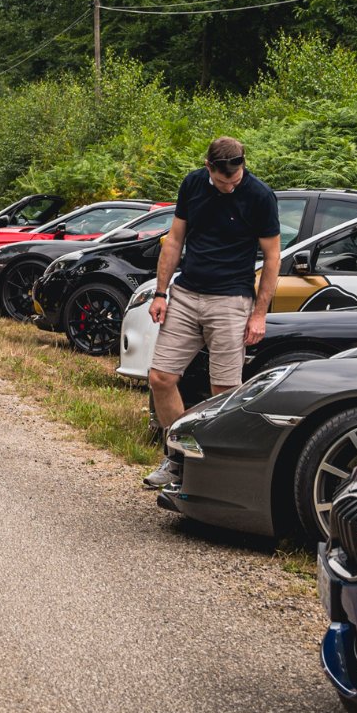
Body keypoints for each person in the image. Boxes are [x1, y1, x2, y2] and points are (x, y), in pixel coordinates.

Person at [141, 137, 281, 490]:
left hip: (231, 300)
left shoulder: (260, 196)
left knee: (223, 390)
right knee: (160, 378)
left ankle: (215, 471)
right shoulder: (192, 184)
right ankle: (179, 458)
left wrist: (259, 314)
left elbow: (272, 257)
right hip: (186, 293)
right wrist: (160, 293)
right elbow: (174, 240)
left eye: (235, 179)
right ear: (208, 168)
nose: (230, 186)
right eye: (222, 182)